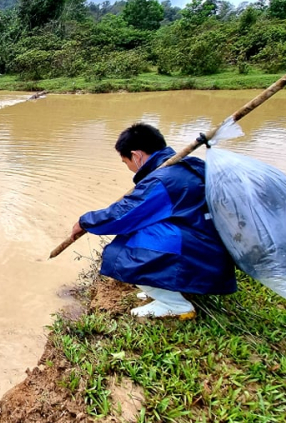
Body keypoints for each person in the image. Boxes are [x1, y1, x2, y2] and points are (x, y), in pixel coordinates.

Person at [71, 123, 236, 319]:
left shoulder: (162, 180)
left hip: (202, 254)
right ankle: (160, 289)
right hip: (210, 250)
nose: (130, 169)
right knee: (148, 230)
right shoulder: (188, 165)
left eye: (126, 162)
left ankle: (174, 304)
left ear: (136, 155)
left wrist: (84, 222)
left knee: (124, 248)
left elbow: (122, 216)